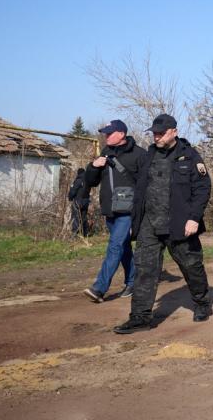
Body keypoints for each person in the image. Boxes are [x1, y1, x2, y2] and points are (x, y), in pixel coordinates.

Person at [113, 114, 213, 333]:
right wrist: (135, 221)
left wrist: (193, 218)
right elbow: (139, 190)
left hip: (178, 223)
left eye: (161, 133)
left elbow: (202, 189)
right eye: (155, 133)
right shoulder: (148, 156)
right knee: (144, 270)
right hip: (149, 223)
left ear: (174, 132)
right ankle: (140, 317)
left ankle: (202, 303)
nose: (156, 137)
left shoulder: (189, 156)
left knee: (191, 266)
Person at [82, 120, 145, 303]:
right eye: (105, 133)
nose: (105, 136)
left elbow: (146, 184)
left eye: (109, 133)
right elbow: (91, 181)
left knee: (115, 246)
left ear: (122, 134)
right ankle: (133, 281)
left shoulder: (140, 155)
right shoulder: (105, 152)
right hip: (110, 210)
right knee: (123, 247)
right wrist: (94, 166)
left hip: (128, 211)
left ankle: (99, 288)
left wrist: (142, 211)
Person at [68, 168, 91, 237]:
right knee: (84, 217)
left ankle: (75, 234)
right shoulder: (88, 180)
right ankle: (85, 233)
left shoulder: (78, 180)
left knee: (76, 217)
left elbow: (73, 191)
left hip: (78, 201)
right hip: (86, 202)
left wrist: (70, 197)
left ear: (78, 173)